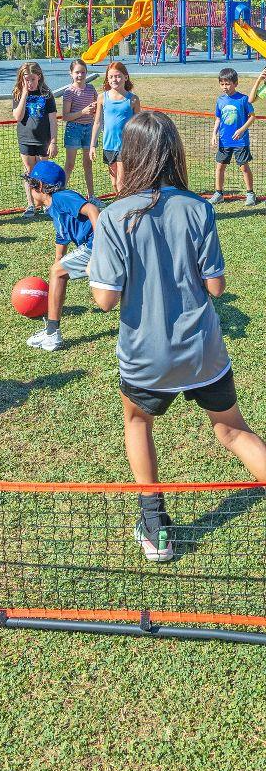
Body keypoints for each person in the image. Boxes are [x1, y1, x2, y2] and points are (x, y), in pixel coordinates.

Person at [89, 111, 266, 562]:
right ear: (174, 154)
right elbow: (216, 286)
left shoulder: (113, 217)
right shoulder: (199, 207)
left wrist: (94, 266)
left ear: (129, 157)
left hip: (145, 357)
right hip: (203, 351)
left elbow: (104, 299)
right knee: (231, 430)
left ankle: (154, 526)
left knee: (137, 423)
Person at [23, 161, 100, 352]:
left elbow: (92, 209)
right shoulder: (53, 207)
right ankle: (51, 331)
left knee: (57, 273)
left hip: (96, 244)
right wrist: (58, 260)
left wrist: (101, 245)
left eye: (31, 184)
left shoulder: (61, 198)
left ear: (39, 186)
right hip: (93, 245)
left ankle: (52, 335)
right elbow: (62, 236)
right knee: (57, 271)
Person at [11, 61, 58, 219]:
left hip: (43, 139)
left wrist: (53, 141)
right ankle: (31, 204)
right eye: (26, 79)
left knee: (42, 173)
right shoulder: (18, 93)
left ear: (39, 77)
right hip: (26, 138)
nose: (29, 83)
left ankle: (45, 202)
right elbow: (17, 116)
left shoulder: (46, 93)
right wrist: (24, 93)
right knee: (29, 172)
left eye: (32, 79)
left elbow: (52, 120)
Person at [89, 61, 140, 196]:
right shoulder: (102, 97)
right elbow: (97, 123)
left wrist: (137, 144)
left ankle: (122, 207)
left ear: (125, 77)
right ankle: (121, 201)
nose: (114, 80)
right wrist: (92, 145)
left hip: (125, 145)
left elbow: (138, 125)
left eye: (117, 76)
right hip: (109, 145)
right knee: (114, 183)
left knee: (120, 182)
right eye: (111, 77)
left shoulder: (133, 99)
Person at [209, 67, 256, 206]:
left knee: (244, 168)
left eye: (228, 83)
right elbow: (218, 119)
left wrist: (242, 130)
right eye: (222, 84)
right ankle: (218, 194)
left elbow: (252, 117)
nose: (225, 87)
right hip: (224, 141)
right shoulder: (220, 100)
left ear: (235, 83)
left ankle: (250, 194)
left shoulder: (243, 99)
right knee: (220, 168)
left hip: (240, 141)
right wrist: (214, 134)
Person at [61, 59, 101, 207]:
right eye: (77, 72)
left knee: (88, 164)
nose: (80, 75)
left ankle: (91, 196)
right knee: (70, 164)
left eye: (83, 72)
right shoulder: (69, 92)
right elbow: (65, 116)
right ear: (71, 74)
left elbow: (98, 108)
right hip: (74, 129)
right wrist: (83, 112)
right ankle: (59, 195)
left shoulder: (91, 89)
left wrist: (96, 109)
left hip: (89, 129)